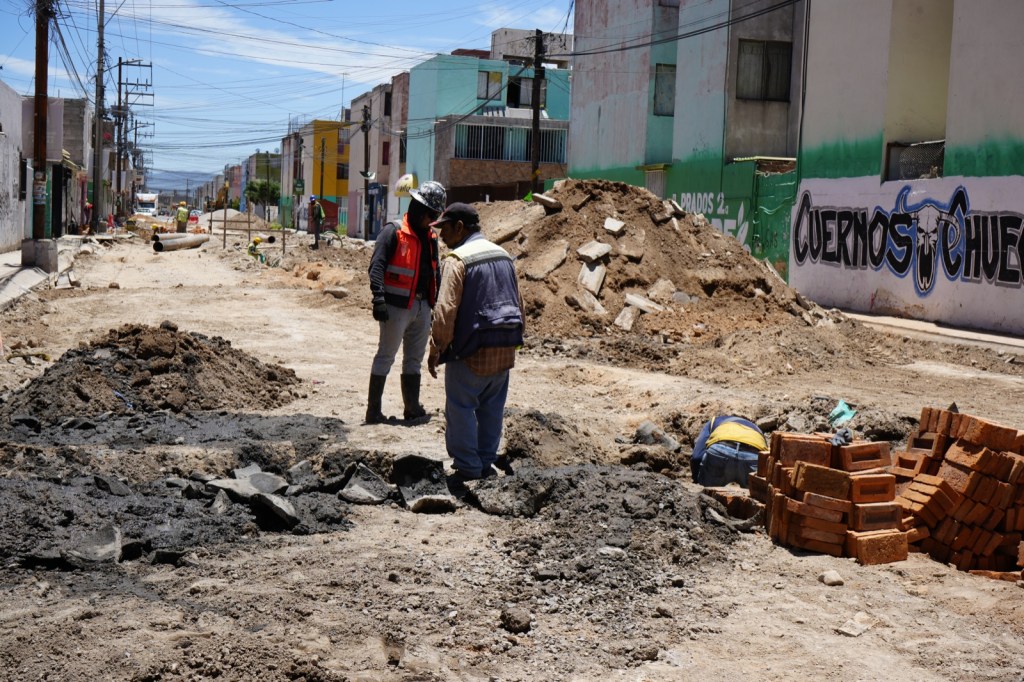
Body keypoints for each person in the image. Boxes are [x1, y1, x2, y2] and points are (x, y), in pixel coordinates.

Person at [427, 202, 524, 486]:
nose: (441, 236)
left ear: (460, 227)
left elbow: (445, 311)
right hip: (504, 348)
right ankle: (484, 462)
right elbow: (519, 303)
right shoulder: (504, 255)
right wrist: (515, 342)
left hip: (471, 350)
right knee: (492, 408)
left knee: (461, 406)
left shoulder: (457, 260)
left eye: (445, 229)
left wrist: (436, 347)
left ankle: (468, 468)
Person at [365, 180, 447, 424]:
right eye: (431, 215)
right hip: (395, 308)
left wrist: (435, 305)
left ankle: (412, 408)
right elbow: (376, 266)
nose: (432, 221)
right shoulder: (393, 231)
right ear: (419, 208)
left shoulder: (431, 238)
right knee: (385, 357)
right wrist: (378, 298)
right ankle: (373, 411)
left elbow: (436, 272)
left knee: (414, 360)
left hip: (422, 307)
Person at [690, 415, 768, 487]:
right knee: (756, 497)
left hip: (720, 452)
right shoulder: (758, 430)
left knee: (706, 498)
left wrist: (697, 480)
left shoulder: (714, 421)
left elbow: (696, 457)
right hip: (752, 457)